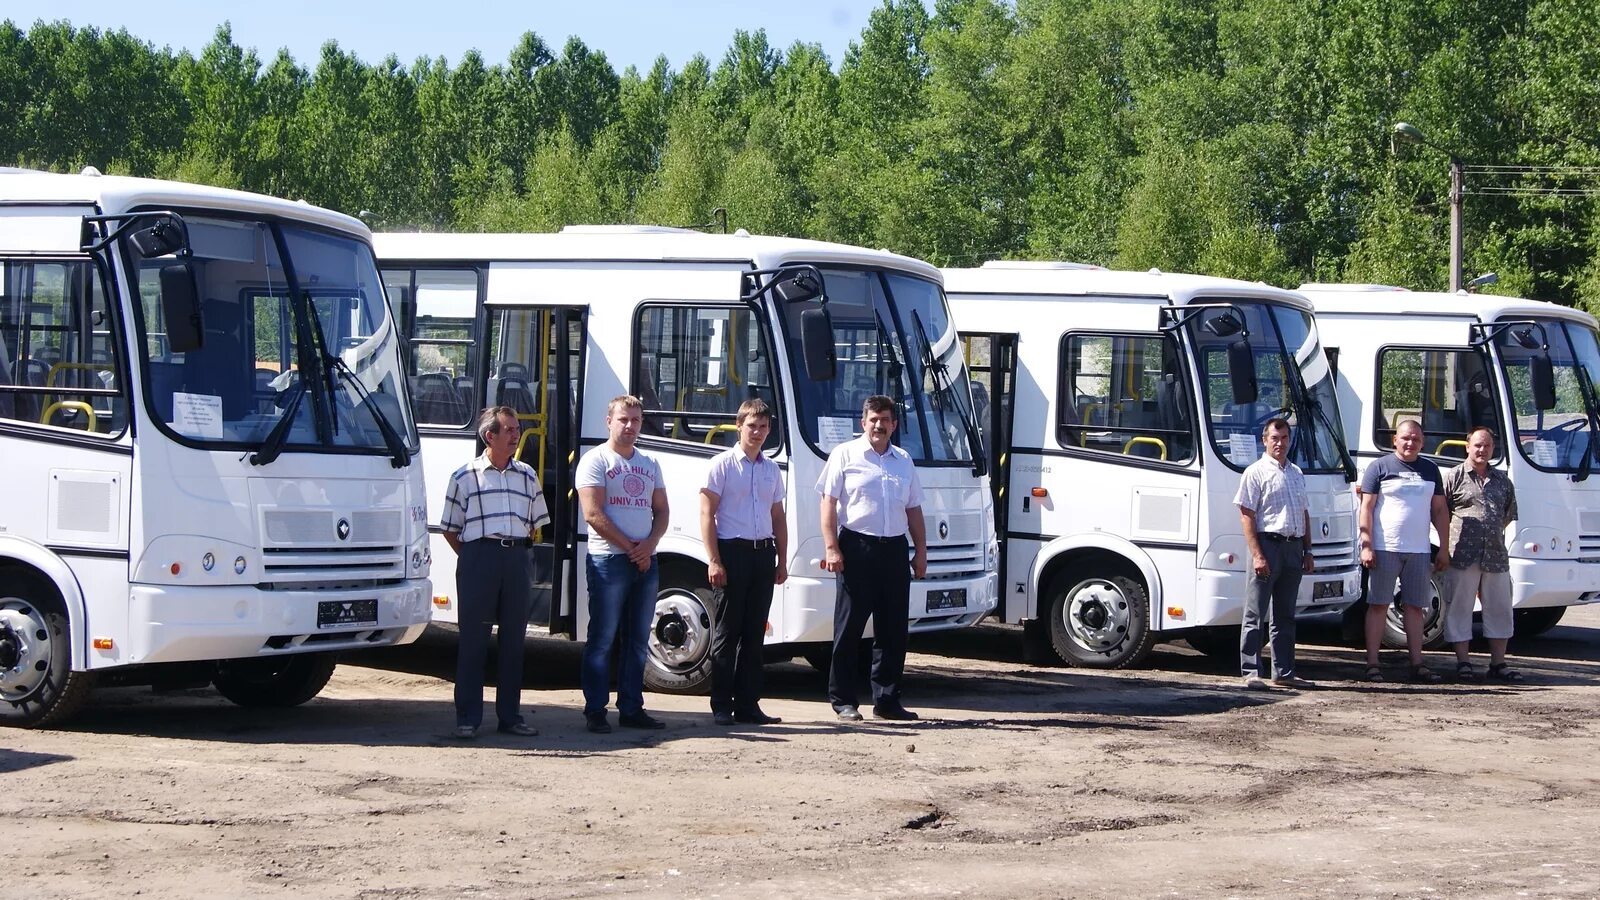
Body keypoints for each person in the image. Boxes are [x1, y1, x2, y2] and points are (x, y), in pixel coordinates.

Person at [440, 406, 549, 739]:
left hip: (516, 560)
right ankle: (468, 718)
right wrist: (477, 557)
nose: (517, 435)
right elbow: (450, 528)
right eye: (511, 430)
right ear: (490, 436)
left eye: (517, 430)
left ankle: (510, 717)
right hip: (478, 559)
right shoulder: (464, 476)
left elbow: (536, 523)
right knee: (474, 641)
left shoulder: (528, 475)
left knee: (514, 642)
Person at [818, 394, 928, 722]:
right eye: (873, 419)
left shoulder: (903, 460)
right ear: (863, 422)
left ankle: (887, 700)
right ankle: (843, 701)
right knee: (849, 628)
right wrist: (831, 547)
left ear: (894, 425)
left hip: (894, 549)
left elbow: (913, 509)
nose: (879, 425)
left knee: (893, 630)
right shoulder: (845, 455)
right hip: (856, 548)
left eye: (885, 420)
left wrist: (921, 551)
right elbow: (828, 503)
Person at [577, 395, 670, 733]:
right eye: (624, 420)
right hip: (608, 561)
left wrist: (649, 545)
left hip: (645, 561)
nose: (630, 426)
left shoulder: (650, 463)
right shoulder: (595, 461)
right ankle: (595, 710)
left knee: (637, 640)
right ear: (609, 421)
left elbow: (661, 511)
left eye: (635, 420)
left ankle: (631, 708)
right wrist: (632, 548)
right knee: (602, 638)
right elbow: (593, 513)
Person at [700, 399, 789, 726]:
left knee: (755, 634)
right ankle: (721, 704)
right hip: (732, 552)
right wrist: (714, 560)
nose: (758, 432)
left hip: (762, 553)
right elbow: (707, 514)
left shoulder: (771, 469)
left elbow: (777, 516)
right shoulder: (721, 464)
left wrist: (781, 559)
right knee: (728, 631)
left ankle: (748, 704)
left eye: (764, 427)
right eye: (752, 426)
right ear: (739, 426)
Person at [1359, 419, 1450, 683]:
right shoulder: (1379, 468)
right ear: (1395, 440)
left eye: (1416, 439)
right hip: (1385, 548)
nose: (1410, 443)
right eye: (1405, 438)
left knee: (1415, 607)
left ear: (1422, 442)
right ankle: (1373, 664)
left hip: (1419, 550)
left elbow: (1440, 511)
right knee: (1378, 605)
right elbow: (1366, 508)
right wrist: (1367, 545)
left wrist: (1443, 548)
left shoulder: (1430, 470)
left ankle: (1417, 663)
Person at [1233, 417, 1316, 691]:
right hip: (1268, 545)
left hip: (1293, 546)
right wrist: (1257, 554)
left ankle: (1284, 671)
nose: (1279, 443)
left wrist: (1308, 549)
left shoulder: (1296, 473)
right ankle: (1251, 671)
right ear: (1264, 440)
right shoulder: (1255, 472)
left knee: (1285, 614)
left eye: (1284, 438)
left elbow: (1304, 513)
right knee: (1255, 611)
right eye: (1274, 438)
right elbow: (1246, 515)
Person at [1442, 426, 1522, 682]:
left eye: (1487, 446)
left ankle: (1498, 664)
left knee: (1500, 610)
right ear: (1467, 446)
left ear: (1492, 449)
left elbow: (1508, 515)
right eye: (1477, 445)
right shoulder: (1454, 477)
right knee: (1460, 609)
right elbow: (1441, 513)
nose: (1482, 450)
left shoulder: (1502, 481)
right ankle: (1463, 662)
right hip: (1462, 555)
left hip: (1496, 556)